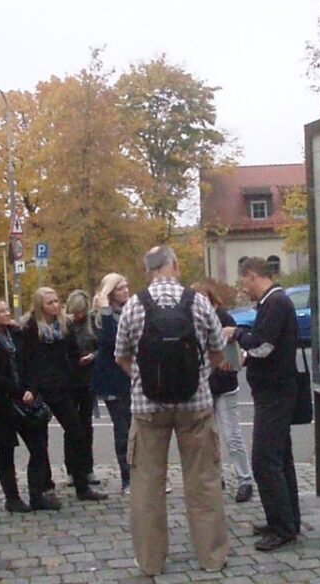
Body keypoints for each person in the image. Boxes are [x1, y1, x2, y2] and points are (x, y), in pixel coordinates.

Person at [115, 245, 229, 576]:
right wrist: (199, 376)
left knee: (147, 486)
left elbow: (121, 355)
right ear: (175, 265)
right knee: (203, 481)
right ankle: (211, 558)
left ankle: (151, 562)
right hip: (196, 406)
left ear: (147, 269)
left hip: (148, 408)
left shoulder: (134, 305)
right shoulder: (198, 302)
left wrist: (142, 379)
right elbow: (218, 350)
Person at [223, 257, 300, 552]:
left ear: (252, 275)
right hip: (274, 391)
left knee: (265, 460)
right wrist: (246, 356)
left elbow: (263, 346)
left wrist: (237, 334)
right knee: (280, 458)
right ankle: (285, 520)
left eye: (244, 281)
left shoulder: (276, 303)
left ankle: (283, 527)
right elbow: (265, 346)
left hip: (275, 393)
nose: (244, 288)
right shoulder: (273, 302)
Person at [19, 287, 108, 502]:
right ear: (40, 306)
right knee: (40, 440)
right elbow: (25, 360)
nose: (55, 305)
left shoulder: (64, 326)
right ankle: (44, 485)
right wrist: (30, 387)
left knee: (77, 432)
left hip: (61, 386)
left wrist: (71, 372)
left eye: (56, 301)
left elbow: (73, 353)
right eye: (49, 302)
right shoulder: (30, 328)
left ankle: (81, 484)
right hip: (39, 388)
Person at [0, 297, 57, 513]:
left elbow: (33, 362)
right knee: (6, 450)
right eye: (2, 311)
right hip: (1, 403)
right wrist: (18, 391)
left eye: (7, 309)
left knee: (39, 447)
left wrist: (31, 389)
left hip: (27, 400)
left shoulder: (17, 334)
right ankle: (12, 497)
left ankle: (37, 494)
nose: (7, 313)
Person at [191, 281, 254, 503]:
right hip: (204, 385)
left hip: (224, 384)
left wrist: (231, 361)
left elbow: (235, 351)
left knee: (231, 435)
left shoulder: (223, 318)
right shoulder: (192, 320)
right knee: (208, 437)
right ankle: (215, 478)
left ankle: (244, 479)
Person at [90, 273, 132, 493]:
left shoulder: (131, 310)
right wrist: (105, 308)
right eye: (120, 288)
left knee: (140, 429)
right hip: (113, 379)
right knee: (123, 428)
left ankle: (145, 476)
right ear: (110, 292)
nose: (126, 291)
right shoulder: (100, 316)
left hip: (133, 376)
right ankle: (128, 478)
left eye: (126, 286)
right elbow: (110, 340)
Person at [64, 289, 99, 488]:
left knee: (86, 424)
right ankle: (71, 469)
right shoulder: (64, 324)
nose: (79, 315)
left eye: (82, 311)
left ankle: (87, 468)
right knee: (71, 426)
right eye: (76, 311)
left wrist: (92, 356)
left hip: (87, 379)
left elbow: (101, 346)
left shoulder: (92, 323)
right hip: (69, 379)